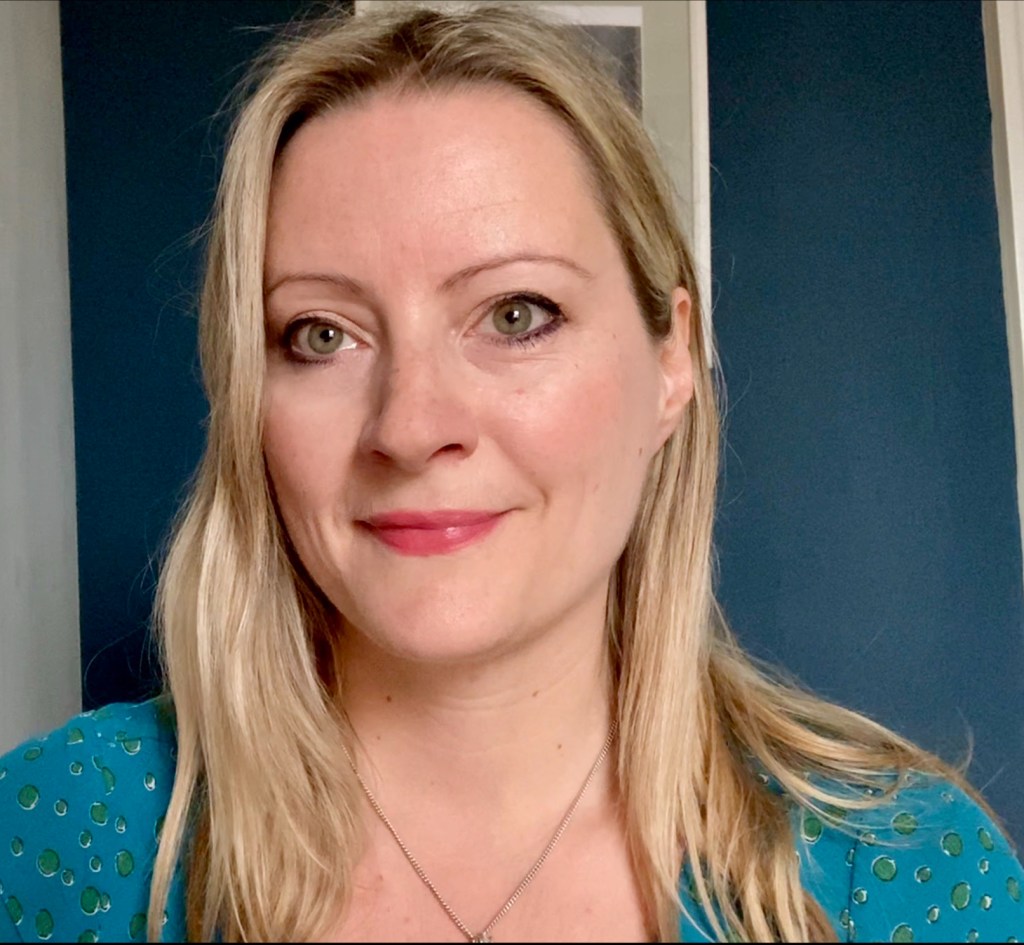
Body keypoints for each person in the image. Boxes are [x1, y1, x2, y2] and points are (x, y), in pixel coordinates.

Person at [2, 3, 1022, 942]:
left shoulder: (901, 873)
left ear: (671, 360)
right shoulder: (61, 842)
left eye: (515, 315)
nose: (410, 428)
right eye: (321, 334)